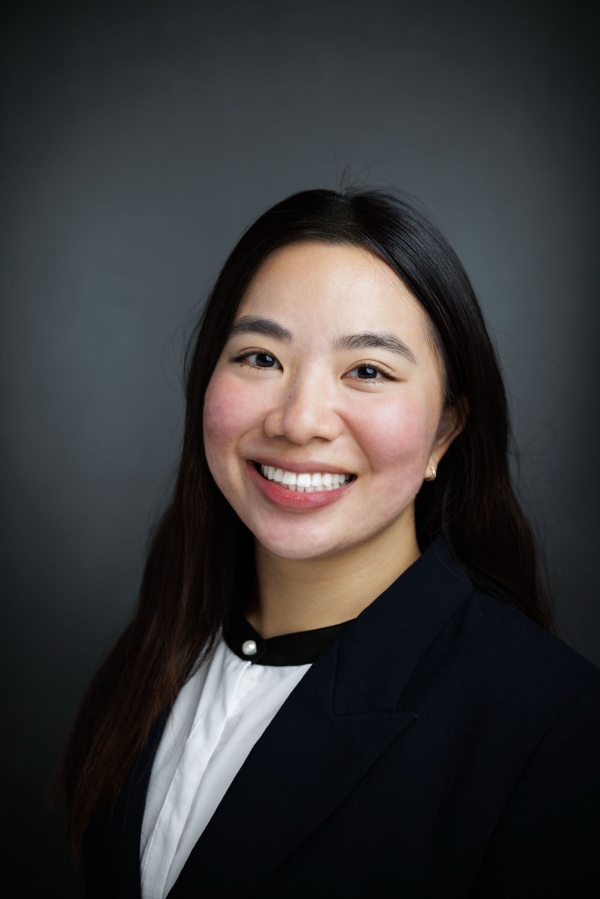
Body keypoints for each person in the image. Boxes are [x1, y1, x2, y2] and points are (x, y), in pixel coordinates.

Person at [59, 189, 600, 898]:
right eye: (259, 356)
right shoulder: (154, 657)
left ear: (446, 430)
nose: (300, 419)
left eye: (367, 371)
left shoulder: (555, 730)